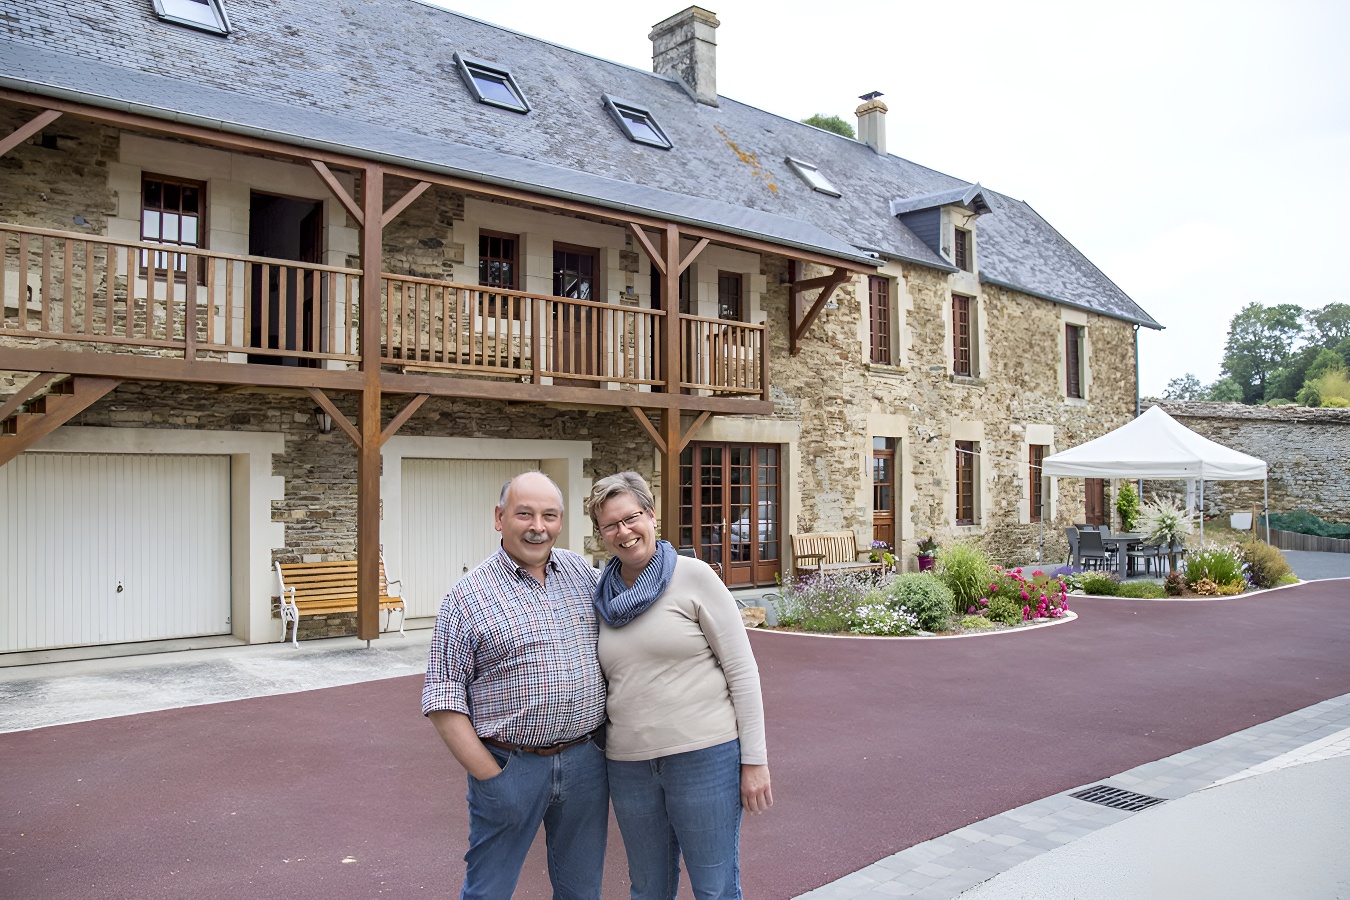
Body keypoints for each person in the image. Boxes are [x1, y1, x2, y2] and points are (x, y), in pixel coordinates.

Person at [585, 471, 771, 900]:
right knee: (648, 888)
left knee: (714, 887)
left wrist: (755, 760)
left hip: (704, 758)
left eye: (631, 518)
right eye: (610, 525)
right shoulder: (600, 595)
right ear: (601, 534)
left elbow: (742, 671)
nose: (623, 532)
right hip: (629, 765)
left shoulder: (694, 576)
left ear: (651, 516)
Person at [422, 471, 608, 900]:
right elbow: (443, 700)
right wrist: (492, 778)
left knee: (582, 892)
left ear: (561, 522)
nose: (537, 526)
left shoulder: (584, 576)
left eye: (549, 515)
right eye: (524, 513)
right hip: (510, 765)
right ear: (499, 517)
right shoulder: (467, 597)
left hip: (586, 763)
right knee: (489, 891)